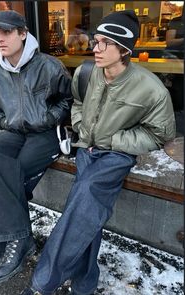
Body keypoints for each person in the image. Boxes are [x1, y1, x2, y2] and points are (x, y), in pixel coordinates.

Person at [21, 10, 176, 295]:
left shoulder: (152, 90)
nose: (96, 47)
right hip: (86, 149)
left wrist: (115, 139)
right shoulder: (86, 72)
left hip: (118, 154)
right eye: (96, 40)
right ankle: (84, 283)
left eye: (105, 42)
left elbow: (160, 135)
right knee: (86, 211)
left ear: (125, 49)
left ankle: (42, 284)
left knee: (86, 194)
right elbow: (77, 102)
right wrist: (81, 127)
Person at [0, 10, 72, 285]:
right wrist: (6, 121)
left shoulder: (49, 66)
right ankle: (21, 238)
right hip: (15, 131)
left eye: (6, 32)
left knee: (5, 174)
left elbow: (66, 100)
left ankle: (9, 242)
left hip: (45, 133)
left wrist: (48, 118)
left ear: (23, 33)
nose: (0, 39)